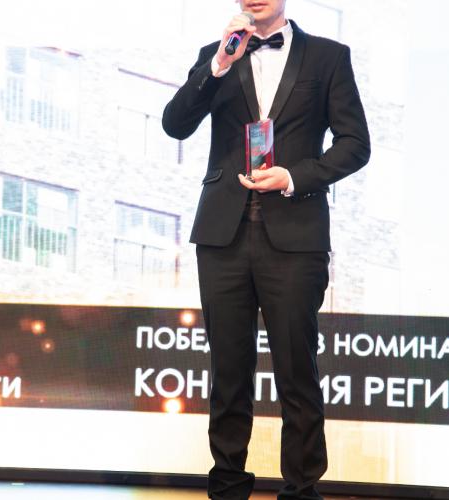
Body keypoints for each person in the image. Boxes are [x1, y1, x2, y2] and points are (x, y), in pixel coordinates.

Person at [162, 1, 370, 498]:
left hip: (296, 236)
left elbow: (355, 144)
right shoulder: (217, 54)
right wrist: (219, 64)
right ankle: (227, 486)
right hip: (222, 235)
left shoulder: (328, 57)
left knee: (297, 370)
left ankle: (301, 489)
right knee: (228, 371)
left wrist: (295, 176)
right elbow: (175, 124)